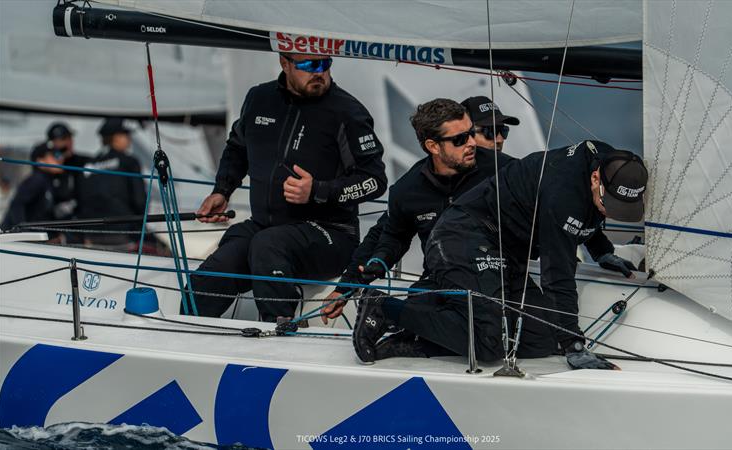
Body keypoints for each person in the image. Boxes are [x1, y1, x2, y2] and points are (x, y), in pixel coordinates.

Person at [352, 140, 646, 368]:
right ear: (596, 179)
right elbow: (557, 274)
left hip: (508, 249)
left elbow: (587, 215)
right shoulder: (563, 193)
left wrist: (602, 251)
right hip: (465, 236)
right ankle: (384, 308)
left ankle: (424, 335)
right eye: (610, 205)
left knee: (543, 338)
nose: (611, 213)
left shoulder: (613, 164)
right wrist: (574, 345)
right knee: (489, 343)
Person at [188, 53, 387, 322]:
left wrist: (317, 191)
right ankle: (184, 333)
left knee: (268, 245)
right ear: (285, 63)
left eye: (325, 63)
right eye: (308, 65)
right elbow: (237, 148)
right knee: (216, 271)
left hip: (331, 235)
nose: (319, 72)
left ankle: (281, 329)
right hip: (265, 227)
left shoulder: (348, 112)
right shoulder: (259, 98)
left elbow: (375, 181)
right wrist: (222, 190)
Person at [322, 98, 515, 358]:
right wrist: (349, 284)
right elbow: (389, 235)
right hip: (442, 281)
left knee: (537, 342)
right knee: (488, 344)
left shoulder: (504, 170)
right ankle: (390, 313)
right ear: (433, 146)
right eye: (461, 139)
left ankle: (412, 334)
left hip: (504, 276)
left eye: (472, 134)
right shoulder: (408, 189)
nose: (472, 143)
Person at [77, 118, 146, 249]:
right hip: (123, 234)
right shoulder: (129, 162)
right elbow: (139, 200)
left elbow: (82, 199)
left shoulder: (87, 165)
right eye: (126, 135)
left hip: (92, 235)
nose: (129, 139)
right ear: (116, 137)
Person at [0, 143, 66, 231]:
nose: (60, 158)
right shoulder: (36, 180)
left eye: (59, 155)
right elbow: (16, 205)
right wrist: (23, 231)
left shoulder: (50, 181)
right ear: (40, 161)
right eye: (54, 155)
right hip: (11, 238)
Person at [46, 122, 89, 229]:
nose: (69, 142)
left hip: (80, 220)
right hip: (55, 222)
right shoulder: (47, 166)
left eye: (69, 137)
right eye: (63, 139)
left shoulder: (83, 161)